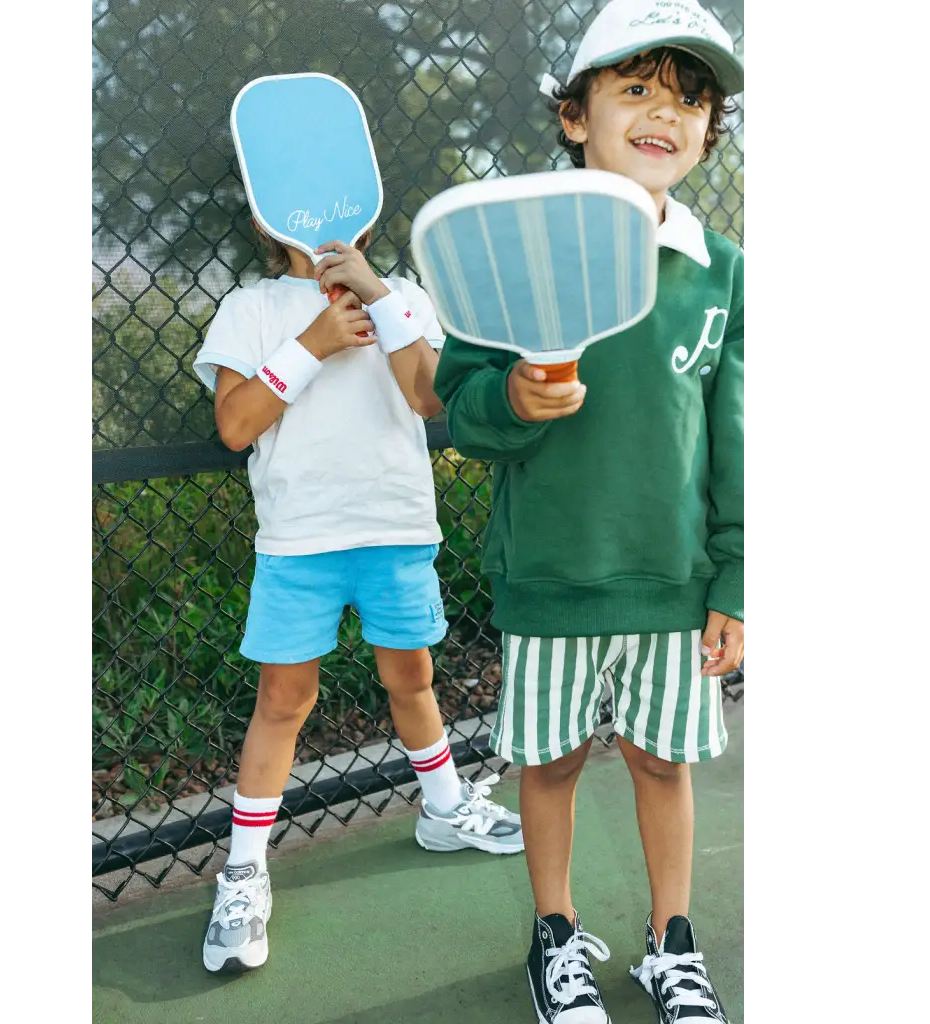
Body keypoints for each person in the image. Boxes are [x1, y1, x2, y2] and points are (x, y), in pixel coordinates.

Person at [432, 0, 745, 1020]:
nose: (669, 114)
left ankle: (671, 940)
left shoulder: (723, 271)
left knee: (662, 760)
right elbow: (466, 407)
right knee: (553, 760)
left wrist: (734, 577)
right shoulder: (514, 242)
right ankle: (555, 935)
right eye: (638, 88)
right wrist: (515, 401)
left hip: (674, 581)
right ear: (574, 115)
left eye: (692, 99)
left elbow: (735, 439)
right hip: (552, 575)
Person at [192, 214, 523, 973]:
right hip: (298, 542)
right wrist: (314, 342)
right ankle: (243, 872)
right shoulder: (251, 307)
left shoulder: (400, 294)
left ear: (371, 209)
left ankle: (443, 810)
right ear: (262, 213)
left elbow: (431, 397)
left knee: (412, 677)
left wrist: (380, 301)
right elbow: (236, 425)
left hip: (395, 531)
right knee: (283, 700)